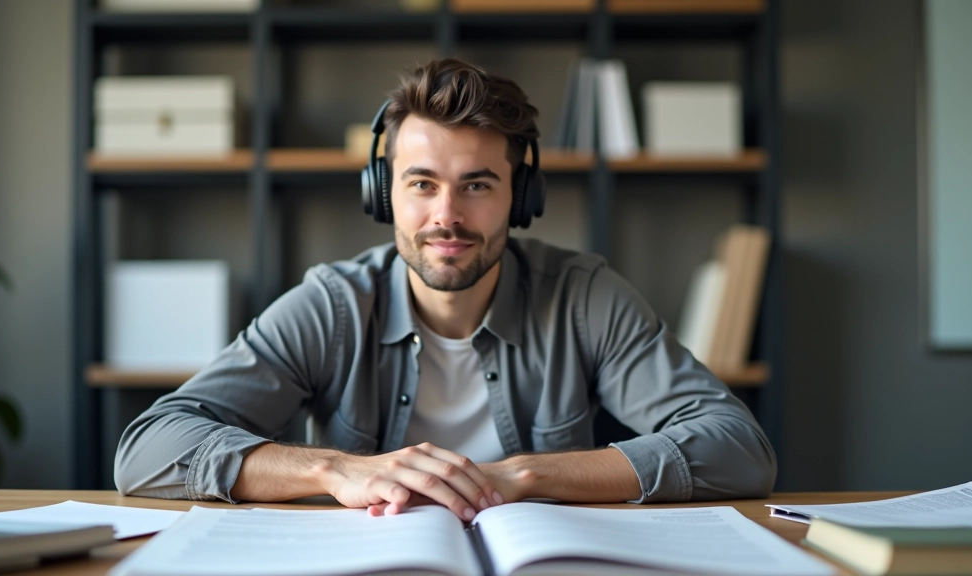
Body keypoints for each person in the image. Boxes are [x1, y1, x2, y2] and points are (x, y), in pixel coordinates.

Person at [114, 58, 776, 522]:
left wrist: (522, 477)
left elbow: (738, 449)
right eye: (422, 183)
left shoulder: (584, 296)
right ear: (383, 195)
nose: (447, 216)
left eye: (478, 185)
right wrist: (334, 471)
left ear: (522, 197)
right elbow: (148, 449)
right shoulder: (334, 305)